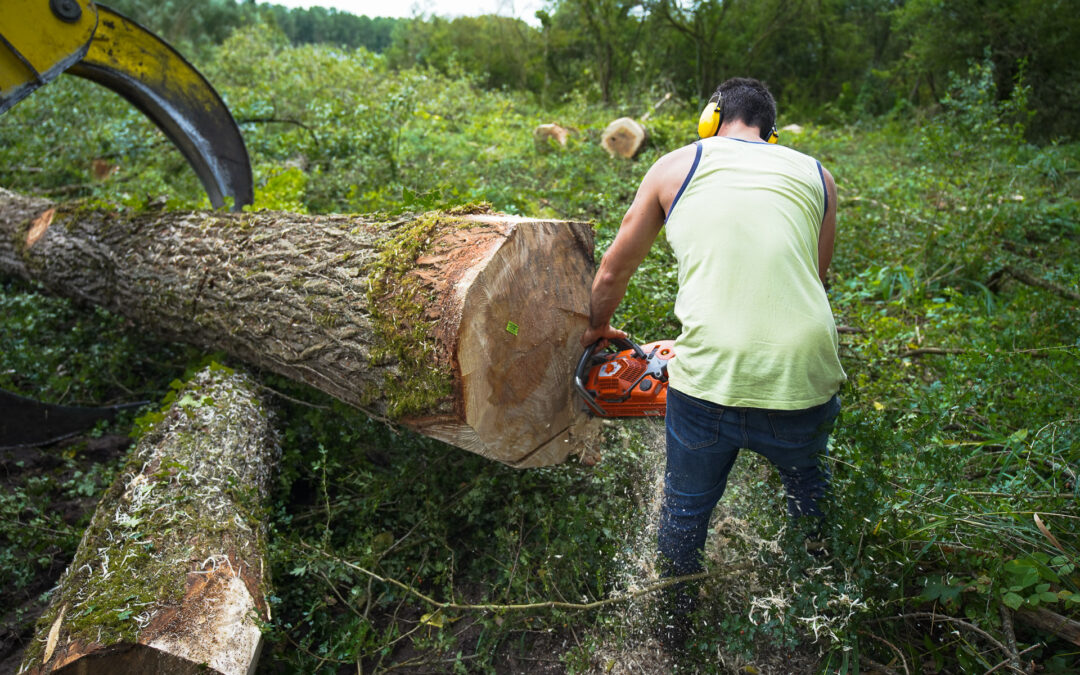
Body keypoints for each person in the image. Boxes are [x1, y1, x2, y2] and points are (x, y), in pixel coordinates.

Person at [580, 77, 846, 651]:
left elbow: (612, 270)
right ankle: (825, 605)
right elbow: (817, 280)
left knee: (683, 512)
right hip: (804, 375)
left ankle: (674, 631)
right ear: (771, 132)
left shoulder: (675, 165)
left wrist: (597, 327)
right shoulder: (818, 176)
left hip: (709, 391)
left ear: (711, 116)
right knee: (807, 487)